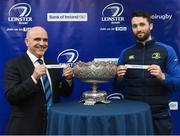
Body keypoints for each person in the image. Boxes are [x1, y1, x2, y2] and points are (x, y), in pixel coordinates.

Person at [113, 10, 180, 135]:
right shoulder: (126, 53)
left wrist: (162, 76)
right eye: (134, 26)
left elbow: (178, 83)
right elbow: (117, 87)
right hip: (133, 115)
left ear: (150, 26)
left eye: (142, 24)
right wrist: (119, 77)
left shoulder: (167, 50)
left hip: (159, 116)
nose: (138, 29)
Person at [4, 26, 74, 134]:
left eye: (45, 40)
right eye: (37, 39)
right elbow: (11, 96)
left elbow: (65, 93)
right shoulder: (13, 65)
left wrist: (68, 79)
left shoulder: (52, 64)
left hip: (52, 126)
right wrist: (33, 78)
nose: (42, 43)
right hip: (25, 128)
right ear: (27, 42)